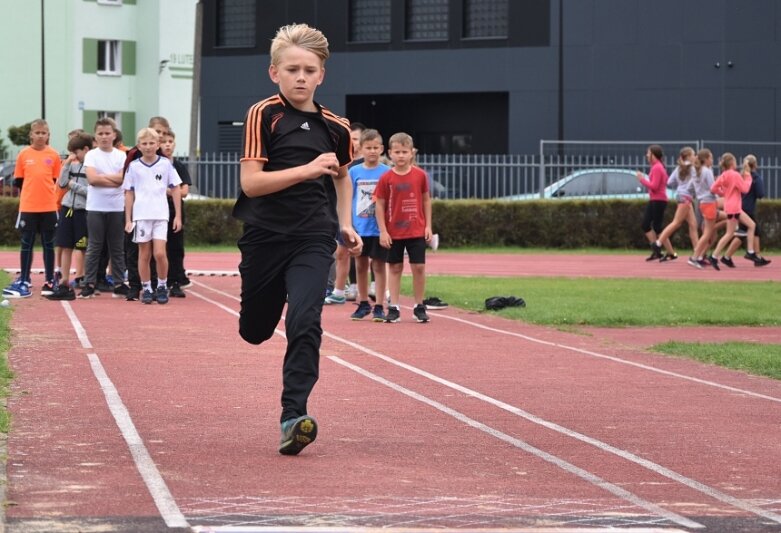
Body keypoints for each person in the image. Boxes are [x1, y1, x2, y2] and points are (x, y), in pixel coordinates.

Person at [234, 23, 361, 455]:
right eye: (292, 69)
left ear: (322, 75)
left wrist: (345, 224)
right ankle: (259, 317)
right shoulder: (263, 114)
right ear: (275, 73)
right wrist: (308, 170)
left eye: (309, 69)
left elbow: (343, 179)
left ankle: (294, 416)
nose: (301, 77)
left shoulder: (337, 127)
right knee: (254, 331)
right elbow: (251, 184)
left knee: (305, 320)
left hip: (313, 235)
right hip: (265, 238)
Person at [375, 132, 433, 324]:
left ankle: (419, 305)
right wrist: (383, 230)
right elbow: (380, 204)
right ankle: (394, 307)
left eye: (404, 152)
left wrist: (428, 226)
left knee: (418, 267)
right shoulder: (386, 178)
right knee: (395, 267)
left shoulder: (420, 175)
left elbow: (426, 200)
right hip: (393, 231)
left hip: (416, 229)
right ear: (390, 153)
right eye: (397, 152)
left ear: (412, 153)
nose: (401, 155)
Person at [2, 119, 62, 298]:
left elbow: (54, 181)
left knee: (48, 244)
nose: (40, 136)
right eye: (37, 133)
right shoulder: (23, 154)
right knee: (26, 244)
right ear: (31, 135)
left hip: (49, 207)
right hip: (28, 206)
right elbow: (19, 181)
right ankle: (25, 279)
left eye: (44, 133)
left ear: (48, 135)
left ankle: (50, 279)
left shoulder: (54, 155)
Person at [123, 127, 182, 305]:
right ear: (139, 146)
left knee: (160, 253)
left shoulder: (165, 164)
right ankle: (147, 288)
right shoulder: (133, 167)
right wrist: (128, 219)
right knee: (144, 254)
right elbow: (129, 193)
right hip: (141, 216)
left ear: (158, 145)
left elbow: (176, 188)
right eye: (144, 143)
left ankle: (162, 285)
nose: (148, 147)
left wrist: (177, 215)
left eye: (151, 143)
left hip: (161, 216)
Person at [78, 117, 129, 299]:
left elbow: (123, 180)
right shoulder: (91, 155)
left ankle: (119, 283)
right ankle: (89, 283)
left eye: (108, 133)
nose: (104, 137)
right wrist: (112, 179)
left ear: (114, 135)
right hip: (95, 207)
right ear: (95, 137)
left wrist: (104, 178)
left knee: (116, 247)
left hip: (116, 208)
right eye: (101, 133)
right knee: (94, 246)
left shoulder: (122, 156)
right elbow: (92, 179)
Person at [347, 128, 390, 321]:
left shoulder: (387, 172)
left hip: (380, 228)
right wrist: (348, 224)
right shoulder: (354, 171)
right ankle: (363, 302)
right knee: (360, 265)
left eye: (375, 147)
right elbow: (348, 198)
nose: (372, 151)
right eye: (368, 147)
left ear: (381, 149)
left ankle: (380, 304)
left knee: (379, 266)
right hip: (360, 227)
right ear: (361, 149)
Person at [46, 132, 93, 300]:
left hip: (83, 211)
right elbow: (62, 183)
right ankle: (65, 281)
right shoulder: (72, 165)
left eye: (75, 152)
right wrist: (66, 164)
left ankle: (84, 279)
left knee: (82, 247)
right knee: (65, 245)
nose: (73, 155)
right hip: (67, 209)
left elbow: (91, 192)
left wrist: (74, 186)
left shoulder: (92, 168)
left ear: (85, 150)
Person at [324, 121, 366, 305]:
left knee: (363, 254)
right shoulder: (340, 163)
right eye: (351, 138)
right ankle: (337, 288)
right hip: (338, 213)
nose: (353, 142)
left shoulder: (364, 167)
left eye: (356, 139)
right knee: (338, 252)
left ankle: (366, 290)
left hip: (361, 217)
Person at [650, 147, 698, 262]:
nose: (695, 157)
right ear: (688, 156)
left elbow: (669, 182)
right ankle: (658, 243)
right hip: (686, 197)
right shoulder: (693, 169)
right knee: (676, 223)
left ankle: (697, 251)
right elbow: (696, 182)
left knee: (693, 225)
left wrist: (680, 184)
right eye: (693, 155)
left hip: (681, 196)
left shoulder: (678, 168)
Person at [722, 155, 771, 267]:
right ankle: (754, 257)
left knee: (746, 232)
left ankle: (728, 257)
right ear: (755, 165)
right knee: (748, 230)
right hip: (748, 208)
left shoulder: (740, 176)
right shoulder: (756, 178)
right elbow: (760, 194)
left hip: (740, 205)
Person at [708, 153, 756, 268]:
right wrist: (748, 177)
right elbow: (745, 189)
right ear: (732, 163)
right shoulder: (735, 175)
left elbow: (713, 188)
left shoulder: (724, 175)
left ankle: (750, 251)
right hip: (735, 207)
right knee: (730, 233)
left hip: (731, 206)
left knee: (751, 225)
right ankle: (714, 256)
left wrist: (724, 193)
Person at [160, 129, 193, 296]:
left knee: (175, 247)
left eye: (170, 142)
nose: (167, 145)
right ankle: (158, 280)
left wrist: (170, 191)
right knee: (158, 248)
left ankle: (175, 281)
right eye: (164, 141)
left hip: (175, 210)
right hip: (158, 210)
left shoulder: (179, 166)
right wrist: (172, 190)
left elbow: (184, 191)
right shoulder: (156, 164)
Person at [688, 148, 724, 269]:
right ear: (706, 159)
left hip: (703, 202)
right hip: (709, 202)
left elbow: (692, 187)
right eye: (711, 158)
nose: (712, 160)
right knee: (707, 233)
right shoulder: (707, 171)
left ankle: (698, 257)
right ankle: (694, 257)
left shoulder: (696, 171)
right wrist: (722, 191)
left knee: (709, 232)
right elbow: (713, 188)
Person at [636, 144, 670, 261]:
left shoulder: (657, 167)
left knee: (657, 227)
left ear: (653, 155)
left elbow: (654, 186)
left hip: (658, 200)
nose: (646, 155)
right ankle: (657, 251)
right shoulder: (656, 166)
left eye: (648, 153)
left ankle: (670, 252)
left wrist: (642, 180)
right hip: (655, 199)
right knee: (646, 225)